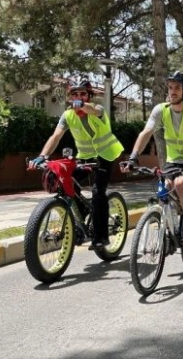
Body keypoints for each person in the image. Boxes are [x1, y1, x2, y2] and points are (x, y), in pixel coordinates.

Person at [27, 77, 124, 249]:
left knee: (97, 193)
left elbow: (92, 110)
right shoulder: (67, 116)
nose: (79, 97)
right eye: (74, 94)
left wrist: (82, 105)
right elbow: (55, 136)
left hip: (106, 156)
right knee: (66, 182)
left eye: (83, 94)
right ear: (70, 97)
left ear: (89, 96)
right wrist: (42, 156)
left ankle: (101, 237)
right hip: (85, 156)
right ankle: (82, 210)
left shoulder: (97, 109)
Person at [122, 71, 183, 242]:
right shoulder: (160, 110)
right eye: (170, 87)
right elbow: (146, 132)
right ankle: (172, 226)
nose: (172, 91)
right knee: (166, 186)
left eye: (177, 88)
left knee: (179, 184)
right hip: (173, 159)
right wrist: (133, 157)